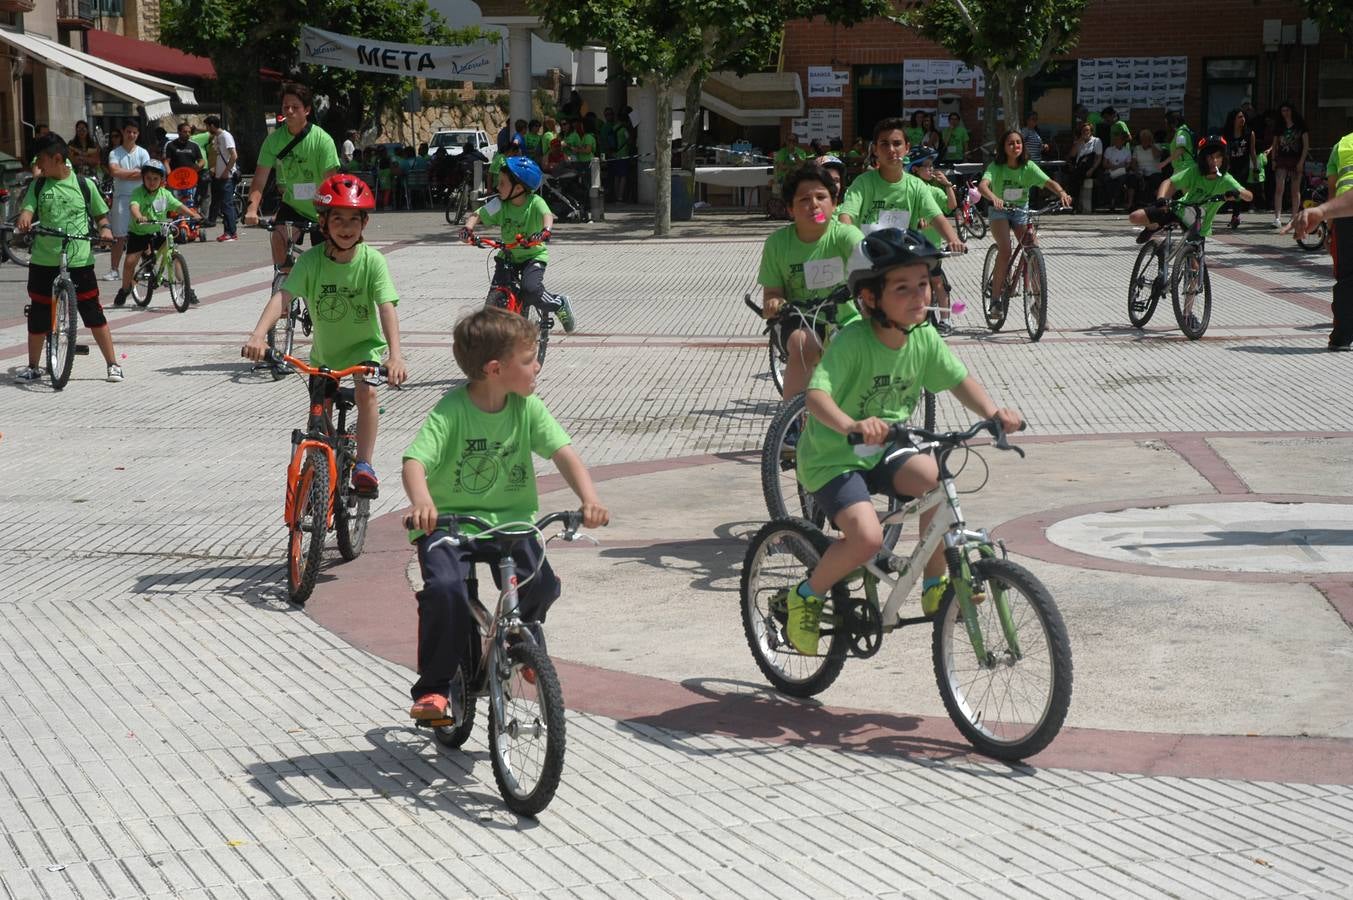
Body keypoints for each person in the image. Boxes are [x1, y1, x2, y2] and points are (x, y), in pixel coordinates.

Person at [783, 227, 1024, 653]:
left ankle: (935, 584)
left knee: (937, 481)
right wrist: (849, 425)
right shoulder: (853, 341)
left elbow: (959, 379)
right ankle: (807, 595)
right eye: (902, 288)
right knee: (867, 538)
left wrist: (994, 414)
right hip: (833, 455)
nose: (918, 296)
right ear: (871, 298)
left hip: (888, 446)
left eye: (923, 284)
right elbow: (816, 396)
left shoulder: (924, 338)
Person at [401, 305, 608, 721]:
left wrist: (589, 498)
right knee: (445, 592)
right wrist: (423, 502)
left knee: (543, 584)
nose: (538, 367)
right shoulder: (451, 411)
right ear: (495, 369)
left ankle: (522, 641)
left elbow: (563, 453)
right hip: (450, 523)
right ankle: (435, 689)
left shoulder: (526, 408)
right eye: (529, 360)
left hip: (511, 522)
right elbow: (415, 462)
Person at [241, 174, 408, 490]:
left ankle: (364, 463)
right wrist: (258, 334)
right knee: (319, 420)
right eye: (338, 219)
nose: (346, 228)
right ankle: (319, 464)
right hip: (325, 356)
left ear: (364, 223)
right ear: (323, 222)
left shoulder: (372, 262)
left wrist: (396, 356)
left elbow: (387, 307)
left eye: (353, 220)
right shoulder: (311, 262)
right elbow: (284, 297)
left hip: (364, 351)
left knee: (367, 393)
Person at [14, 134, 124, 383]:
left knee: (93, 312)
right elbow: (28, 208)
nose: (39, 165)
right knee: (39, 313)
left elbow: (101, 216)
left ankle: (112, 364)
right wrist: (25, 217)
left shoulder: (84, 184)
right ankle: (33, 366)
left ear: (57, 158)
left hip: (79, 259)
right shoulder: (39, 185)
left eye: (41, 160)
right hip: (44, 260)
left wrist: (105, 229)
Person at [757, 163, 864, 399]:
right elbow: (771, 292)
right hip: (798, 319)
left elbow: (872, 264)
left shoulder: (846, 235)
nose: (813, 204)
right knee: (805, 344)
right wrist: (773, 302)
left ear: (834, 203)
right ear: (790, 209)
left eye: (821, 197)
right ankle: (792, 419)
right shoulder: (777, 244)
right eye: (804, 199)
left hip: (846, 319)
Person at [1129, 135, 1254, 330]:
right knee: (1135, 217)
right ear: (1203, 158)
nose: (1214, 162)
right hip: (1179, 211)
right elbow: (1169, 183)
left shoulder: (1225, 179)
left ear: (1223, 159)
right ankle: (1155, 232)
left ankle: (1187, 314)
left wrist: (1237, 194)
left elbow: (1248, 195)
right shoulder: (1194, 172)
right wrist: (1162, 199)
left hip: (1198, 226)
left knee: (1194, 269)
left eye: (1218, 157)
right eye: (1210, 157)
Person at [459, 156, 578, 333]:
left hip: (532, 256)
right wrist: (467, 229)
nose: (498, 187)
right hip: (508, 255)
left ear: (519, 188)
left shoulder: (535, 203)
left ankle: (559, 303)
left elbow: (547, 215)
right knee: (493, 304)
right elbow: (477, 214)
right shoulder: (499, 203)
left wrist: (545, 231)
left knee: (530, 290)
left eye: (502, 183)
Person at [837, 118, 965, 257]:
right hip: (868, 260)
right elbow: (846, 216)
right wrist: (850, 243)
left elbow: (937, 217)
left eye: (897, 143)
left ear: (907, 148)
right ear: (875, 149)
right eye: (884, 144)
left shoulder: (916, 186)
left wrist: (954, 240)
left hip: (904, 261)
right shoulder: (862, 183)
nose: (891, 149)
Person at [245, 82, 341, 266]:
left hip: (323, 207)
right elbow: (259, 180)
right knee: (278, 239)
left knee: (329, 262)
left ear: (306, 110)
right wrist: (251, 209)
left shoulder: (322, 140)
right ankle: (286, 282)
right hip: (293, 206)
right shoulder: (273, 141)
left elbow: (332, 182)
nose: (289, 111)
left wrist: (331, 216)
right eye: (285, 107)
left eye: (295, 107)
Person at [978, 129, 1072, 304]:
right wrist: (994, 197)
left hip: (1021, 211)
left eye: (1018, 142)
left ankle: (1038, 307)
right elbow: (983, 186)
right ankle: (996, 300)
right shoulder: (996, 167)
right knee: (1005, 250)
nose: (1015, 146)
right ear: (1003, 147)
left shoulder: (1028, 166)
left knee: (1033, 250)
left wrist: (1062, 193)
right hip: (1000, 211)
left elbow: (1049, 182)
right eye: (1011, 143)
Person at [1286, 131, 1353, 350]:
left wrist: (1329, 223)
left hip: (1344, 215)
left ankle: (1342, 336)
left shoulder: (1342, 144)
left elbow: (1333, 189)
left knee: (1346, 276)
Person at [112, 161, 202, 307]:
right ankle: (124, 290)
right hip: (139, 232)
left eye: (155, 179)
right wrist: (139, 216)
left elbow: (178, 206)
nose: (152, 182)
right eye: (148, 178)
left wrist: (193, 214)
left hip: (158, 230)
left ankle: (186, 288)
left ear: (162, 180)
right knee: (130, 263)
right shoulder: (138, 192)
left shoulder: (165, 194)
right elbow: (134, 206)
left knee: (174, 252)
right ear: (143, 179)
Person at [906, 147, 960, 334]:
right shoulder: (910, 188)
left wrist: (947, 185)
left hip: (931, 247)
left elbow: (951, 206)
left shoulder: (933, 189)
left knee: (937, 282)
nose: (931, 170)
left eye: (931, 166)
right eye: (926, 166)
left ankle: (946, 320)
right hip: (912, 246)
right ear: (914, 169)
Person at [105, 120, 150, 283]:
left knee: (144, 233)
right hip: (121, 199)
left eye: (135, 132)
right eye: (129, 131)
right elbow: (115, 171)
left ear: (138, 134)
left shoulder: (143, 153)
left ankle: (146, 267)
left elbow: (146, 174)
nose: (131, 135)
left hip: (140, 198)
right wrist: (135, 172)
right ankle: (114, 269)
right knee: (119, 236)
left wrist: (127, 173)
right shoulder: (115, 153)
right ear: (123, 132)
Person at [1268, 101, 1309, 229]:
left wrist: (1301, 162)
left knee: (1295, 190)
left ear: (1292, 111)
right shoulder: (1279, 127)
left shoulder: (1301, 127)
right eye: (1283, 111)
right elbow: (1275, 145)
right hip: (1282, 159)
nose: (1285, 113)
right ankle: (1277, 218)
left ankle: (1294, 217)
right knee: (1279, 188)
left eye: (1287, 110)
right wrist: (1273, 160)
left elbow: (1306, 146)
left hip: (1296, 159)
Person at [204, 115, 239, 240]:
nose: (207, 129)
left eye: (207, 126)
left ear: (212, 125)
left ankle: (231, 232)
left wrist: (226, 171)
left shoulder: (225, 136)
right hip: (219, 176)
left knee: (226, 204)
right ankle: (228, 231)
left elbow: (234, 155)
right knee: (223, 204)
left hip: (227, 177)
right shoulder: (217, 137)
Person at [1222, 108, 1258, 229]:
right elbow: (1223, 153)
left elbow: (1252, 152)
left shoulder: (1249, 133)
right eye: (1239, 117)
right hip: (1230, 166)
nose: (1242, 119)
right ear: (1233, 120)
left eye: (1243, 117)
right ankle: (1231, 212)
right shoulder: (1226, 134)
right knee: (1229, 190)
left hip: (1243, 167)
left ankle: (1235, 216)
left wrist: (1256, 168)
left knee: (1238, 189)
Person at [1063, 121, 1102, 212]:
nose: (1085, 132)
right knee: (1073, 176)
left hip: (1090, 168)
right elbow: (1072, 155)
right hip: (1079, 167)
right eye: (1083, 131)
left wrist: (1092, 170)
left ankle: (1073, 202)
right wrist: (1079, 142)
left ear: (1091, 131)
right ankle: (1073, 202)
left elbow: (1098, 158)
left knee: (1074, 178)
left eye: (1087, 130)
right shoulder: (1079, 141)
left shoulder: (1096, 141)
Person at [1096, 128, 1137, 212]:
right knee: (1107, 179)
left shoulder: (1127, 151)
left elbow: (1128, 164)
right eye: (1115, 140)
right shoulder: (1109, 149)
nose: (1116, 141)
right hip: (1110, 171)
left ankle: (1114, 200)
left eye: (1118, 139)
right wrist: (1113, 166)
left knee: (1121, 179)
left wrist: (1119, 167)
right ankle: (1111, 200)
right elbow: (1104, 164)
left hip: (1121, 172)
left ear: (1122, 141)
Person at [773, 130, 811, 196]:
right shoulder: (782, 152)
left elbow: (802, 165)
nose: (791, 142)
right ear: (786, 141)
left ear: (797, 142)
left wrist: (794, 153)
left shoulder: (801, 152)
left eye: (794, 141)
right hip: (784, 177)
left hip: (798, 177)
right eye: (789, 140)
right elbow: (781, 167)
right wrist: (794, 167)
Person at [1133, 129, 1166, 203]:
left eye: (1146, 139)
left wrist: (1151, 145)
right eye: (1142, 139)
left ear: (1150, 139)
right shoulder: (1137, 148)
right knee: (1133, 179)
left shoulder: (1157, 146)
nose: (1144, 141)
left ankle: (1154, 202)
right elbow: (1133, 163)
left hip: (1154, 172)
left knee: (1154, 179)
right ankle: (1137, 202)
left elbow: (1156, 156)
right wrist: (1136, 171)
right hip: (1141, 171)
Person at [1164, 109, 1194, 177]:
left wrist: (1164, 162)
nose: (1165, 125)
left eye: (1166, 122)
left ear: (1172, 123)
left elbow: (1180, 150)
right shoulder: (1183, 131)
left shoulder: (1181, 133)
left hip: (1184, 168)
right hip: (1181, 168)